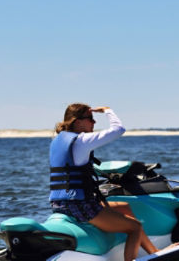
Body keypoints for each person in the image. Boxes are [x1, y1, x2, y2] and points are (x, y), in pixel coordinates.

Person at [49, 103, 169, 261]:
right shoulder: (81, 141)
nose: (94, 122)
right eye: (90, 118)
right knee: (135, 227)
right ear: (77, 122)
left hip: (61, 203)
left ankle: (153, 251)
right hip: (79, 205)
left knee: (124, 206)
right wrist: (107, 111)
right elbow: (118, 129)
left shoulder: (59, 140)